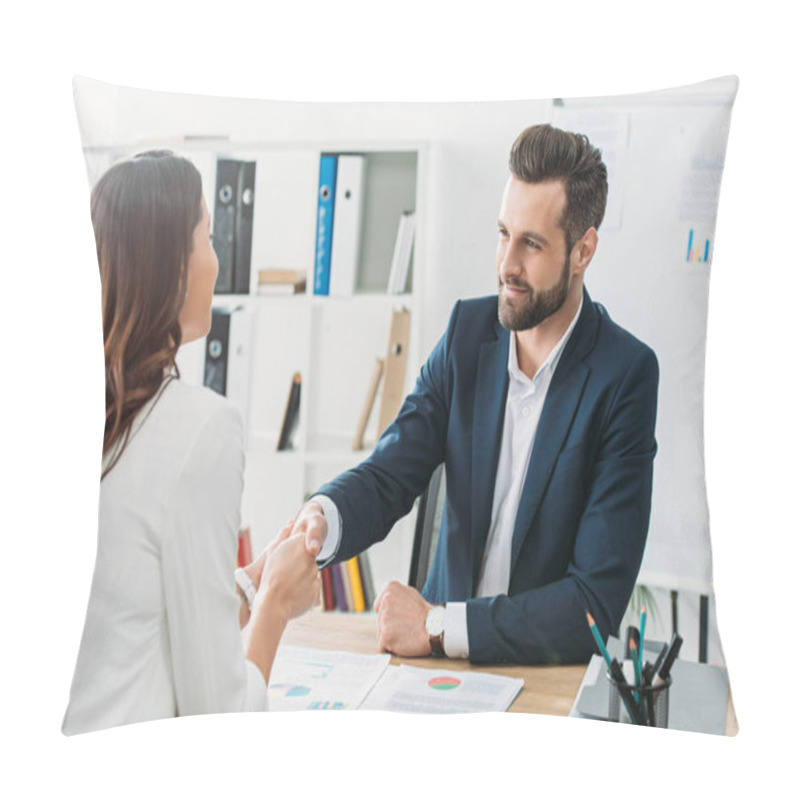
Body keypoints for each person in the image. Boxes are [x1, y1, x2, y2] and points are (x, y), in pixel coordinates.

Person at [293, 124, 659, 665]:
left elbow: (592, 606)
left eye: (531, 244)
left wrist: (440, 625)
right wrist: (322, 519)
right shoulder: (468, 333)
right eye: (503, 233)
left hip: (538, 679)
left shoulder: (623, 376)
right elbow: (391, 472)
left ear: (583, 251)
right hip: (434, 674)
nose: (507, 264)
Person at [62, 151, 321, 735]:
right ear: (173, 268)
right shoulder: (202, 428)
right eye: (206, 234)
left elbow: (133, 614)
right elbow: (218, 717)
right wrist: (277, 602)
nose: (218, 257)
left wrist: (249, 584)